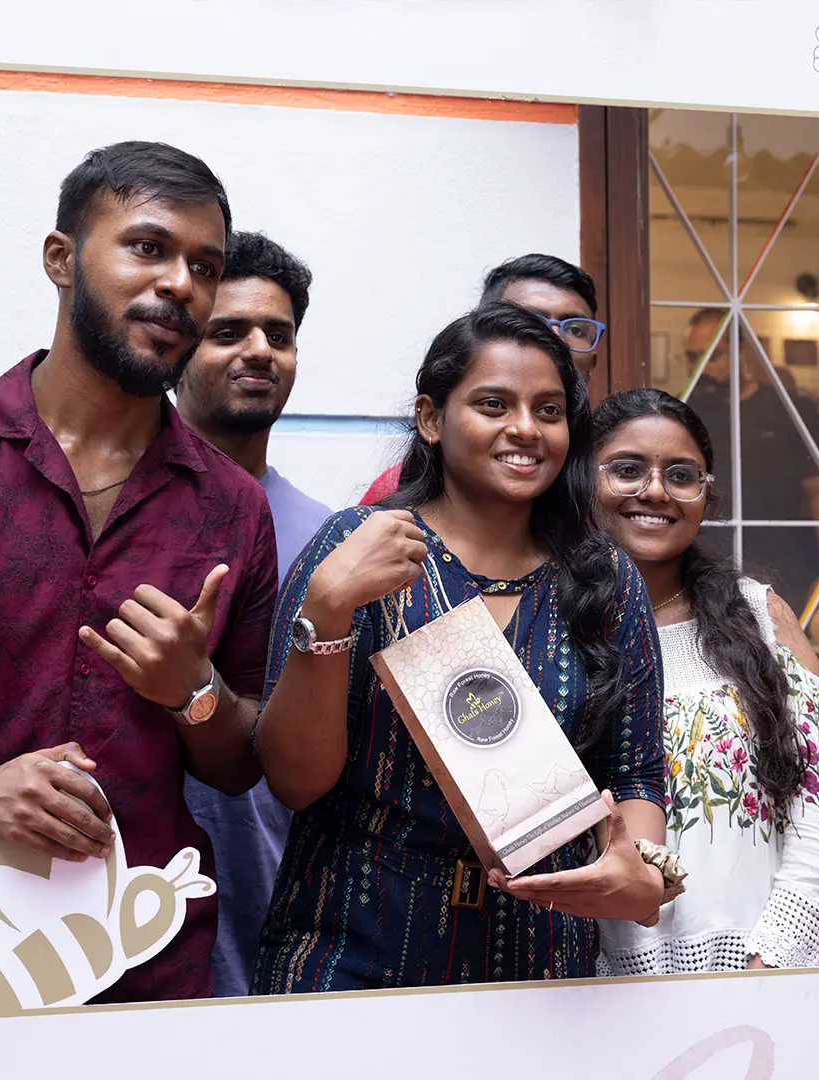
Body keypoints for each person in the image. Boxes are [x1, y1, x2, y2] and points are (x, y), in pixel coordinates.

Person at [250, 302, 670, 994]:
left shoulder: (602, 579)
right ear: (431, 419)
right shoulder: (359, 548)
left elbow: (634, 772)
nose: (526, 429)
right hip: (352, 949)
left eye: (550, 409)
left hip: (538, 965)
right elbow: (296, 781)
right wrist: (326, 610)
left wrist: (639, 866)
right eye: (494, 404)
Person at [0, 141, 279, 1003]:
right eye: (149, 247)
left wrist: (195, 691)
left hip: (143, 955)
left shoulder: (231, 505)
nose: (181, 282)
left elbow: (238, 762)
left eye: (204, 265)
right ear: (61, 260)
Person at [592, 388, 819, 974]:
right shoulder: (550, 635)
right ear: (584, 482)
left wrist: (766, 965)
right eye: (627, 469)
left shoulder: (761, 618)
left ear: (706, 495)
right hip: (599, 989)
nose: (655, 491)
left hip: (763, 972)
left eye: (681, 475)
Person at [174, 231, 331, 998]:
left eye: (280, 334)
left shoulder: (333, 537)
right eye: (228, 331)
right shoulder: (115, 515)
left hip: (285, 905)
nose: (260, 350)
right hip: (130, 901)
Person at [359, 253, 604, 505]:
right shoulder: (394, 500)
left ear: (593, 364)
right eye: (531, 321)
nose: (556, 340)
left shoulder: (614, 484)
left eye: (575, 329)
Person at [683, 308, 819, 613]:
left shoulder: (792, 409)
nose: (701, 366)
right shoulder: (683, 411)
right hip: (704, 577)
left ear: (742, 352)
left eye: (713, 355)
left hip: (784, 572)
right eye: (692, 356)